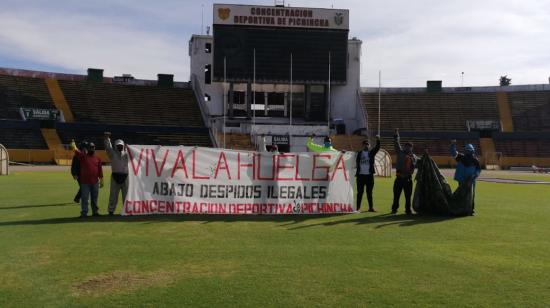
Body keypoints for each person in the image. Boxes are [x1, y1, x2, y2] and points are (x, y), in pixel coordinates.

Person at [70, 140, 104, 218]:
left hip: (95, 182)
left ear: (95, 148)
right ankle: (84, 213)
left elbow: (100, 170)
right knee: (85, 199)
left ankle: (95, 212)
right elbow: (76, 151)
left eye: (93, 147)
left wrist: (101, 179)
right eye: (90, 147)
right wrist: (73, 146)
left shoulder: (98, 158)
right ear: (87, 149)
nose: (92, 149)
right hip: (85, 182)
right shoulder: (83, 156)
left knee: (94, 199)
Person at [450, 140, 481, 215]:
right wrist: (453, 146)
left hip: (471, 181)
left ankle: (470, 210)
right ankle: (462, 209)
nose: (470, 152)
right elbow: (454, 153)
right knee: (463, 194)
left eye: (470, 151)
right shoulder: (461, 157)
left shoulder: (475, 160)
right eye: (468, 151)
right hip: (462, 180)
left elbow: (478, 169)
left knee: (471, 195)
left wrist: (474, 175)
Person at [391, 129, 418, 215]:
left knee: (408, 196)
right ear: (405, 147)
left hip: (408, 179)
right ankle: (394, 209)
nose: (408, 148)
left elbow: (420, 162)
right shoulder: (400, 153)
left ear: (411, 148)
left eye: (409, 147)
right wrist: (396, 135)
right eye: (406, 146)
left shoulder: (414, 157)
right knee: (396, 196)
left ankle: (408, 210)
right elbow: (396, 143)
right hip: (399, 178)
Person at [104, 132, 129, 216]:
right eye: (118, 145)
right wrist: (107, 139)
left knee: (126, 195)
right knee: (113, 195)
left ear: (123, 145)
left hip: (125, 176)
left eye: (121, 145)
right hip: (115, 176)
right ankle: (111, 210)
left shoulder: (127, 154)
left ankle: (127, 210)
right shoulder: (112, 154)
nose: (120, 147)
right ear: (115, 146)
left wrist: (130, 148)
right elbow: (108, 147)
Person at [355, 135, 380, 212]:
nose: (366, 146)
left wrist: (378, 140)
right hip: (360, 176)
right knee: (360, 192)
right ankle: (358, 208)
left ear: (369, 146)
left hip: (369, 176)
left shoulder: (371, 153)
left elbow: (377, 148)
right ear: (362, 145)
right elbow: (350, 155)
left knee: (369, 192)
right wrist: (344, 152)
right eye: (365, 144)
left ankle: (371, 207)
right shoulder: (358, 153)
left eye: (367, 144)